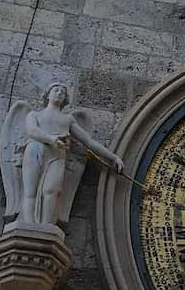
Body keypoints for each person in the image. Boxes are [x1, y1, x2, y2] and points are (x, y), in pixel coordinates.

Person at [19, 82, 124, 228]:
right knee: (30, 190)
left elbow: (88, 141)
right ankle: (28, 225)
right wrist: (51, 139)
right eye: (56, 90)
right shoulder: (34, 115)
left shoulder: (67, 120)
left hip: (57, 156)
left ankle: (45, 226)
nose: (60, 93)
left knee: (51, 190)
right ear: (48, 94)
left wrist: (113, 157)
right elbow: (32, 131)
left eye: (63, 92)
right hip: (35, 151)